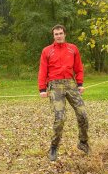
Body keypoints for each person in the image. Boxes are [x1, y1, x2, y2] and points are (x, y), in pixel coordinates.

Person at [38, 24, 89, 161]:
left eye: (60, 33)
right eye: (56, 34)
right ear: (53, 36)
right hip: (55, 86)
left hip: (71, 84)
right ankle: (54, 147)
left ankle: (83, 142)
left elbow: (78, 68)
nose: (58, 36)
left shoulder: (73, 49)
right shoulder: (47, 51)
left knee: (83, 114)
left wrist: (80, 84)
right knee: (60, 118)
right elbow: (42, 70)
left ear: (65, 34)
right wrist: (42, 89)